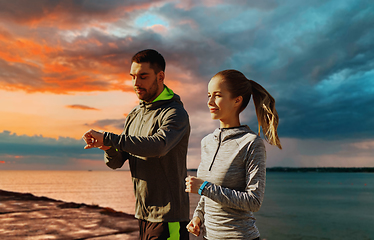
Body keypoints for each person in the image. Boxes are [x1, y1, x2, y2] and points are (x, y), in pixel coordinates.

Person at [82, 49, 191, 240]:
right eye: (133, 77)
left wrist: (108, 138)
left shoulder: (174, 113)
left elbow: (158, 146)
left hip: (169, 216)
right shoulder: (134, 115)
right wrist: (107, 148)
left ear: (160, 76)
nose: (136, 83)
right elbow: (116, 162)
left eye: (143, 76)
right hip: (143, 214)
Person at [185, 69, 282, 240]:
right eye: (208, 95)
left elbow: (254, 201)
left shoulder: (251, 143)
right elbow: (207, 194)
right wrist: (198, 216)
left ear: (237, 100)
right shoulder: (207, 142)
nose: (210, 101)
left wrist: (203, 187)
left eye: (217, 95)